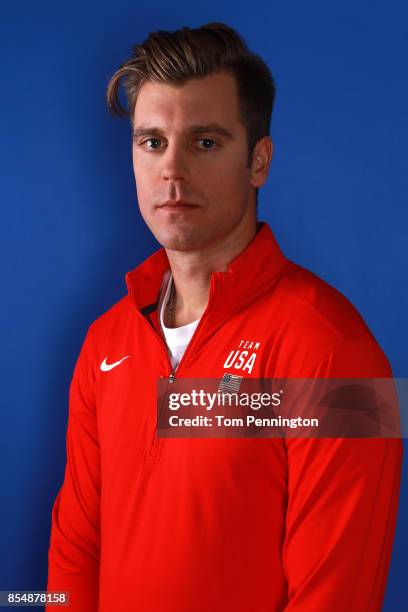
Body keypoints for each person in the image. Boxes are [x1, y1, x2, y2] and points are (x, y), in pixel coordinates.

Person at [46, 22, 403, 611]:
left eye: (205, 142)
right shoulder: (105, 341)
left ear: (258, 160)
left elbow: (336, 596)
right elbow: (75, 555)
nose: (173, 170)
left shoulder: (337, 351)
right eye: (152, 142)